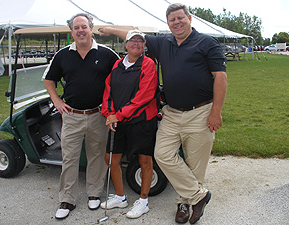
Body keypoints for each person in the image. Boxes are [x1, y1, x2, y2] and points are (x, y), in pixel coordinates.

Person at [98, 3, 227, 224]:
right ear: (167, 24)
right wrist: (110, 30)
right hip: (172, 113)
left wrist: (216, 112)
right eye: (172, 20)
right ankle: (200, 195)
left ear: (189, 18)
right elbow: (133, 34)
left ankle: (185, 204)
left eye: (180, 18)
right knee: (163, 154)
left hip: (200, 112)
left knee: (195, 164)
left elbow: (221, 77)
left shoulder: (207, 42)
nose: (176, 23)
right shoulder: (163, 42)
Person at [43, 13, 119, 219]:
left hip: (98, 115)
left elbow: (120, 77)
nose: (80, 31)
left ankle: (94, 194)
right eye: (76, 28)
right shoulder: (62, 55)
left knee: (96, 157)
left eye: (84, 27)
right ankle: (67, 199)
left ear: (91, 28)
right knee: (69, 158)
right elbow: (49, 80)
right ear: (72, 31)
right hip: (72, 115)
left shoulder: (107, 54)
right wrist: (57, 101)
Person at [100, 30, 158, 219]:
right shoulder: (117, 65)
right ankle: (120, 197)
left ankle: (143, 202)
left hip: (141, 121)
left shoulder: (148, 64)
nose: (136, 44)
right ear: (125, 45)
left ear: (143, 46)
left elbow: (144, 96)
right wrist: (109, 114)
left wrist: (118, 115)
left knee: (144, 161)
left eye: (140, 41)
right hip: (119, 121)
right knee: (111, 159)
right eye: (132, 40)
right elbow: (108, 91)